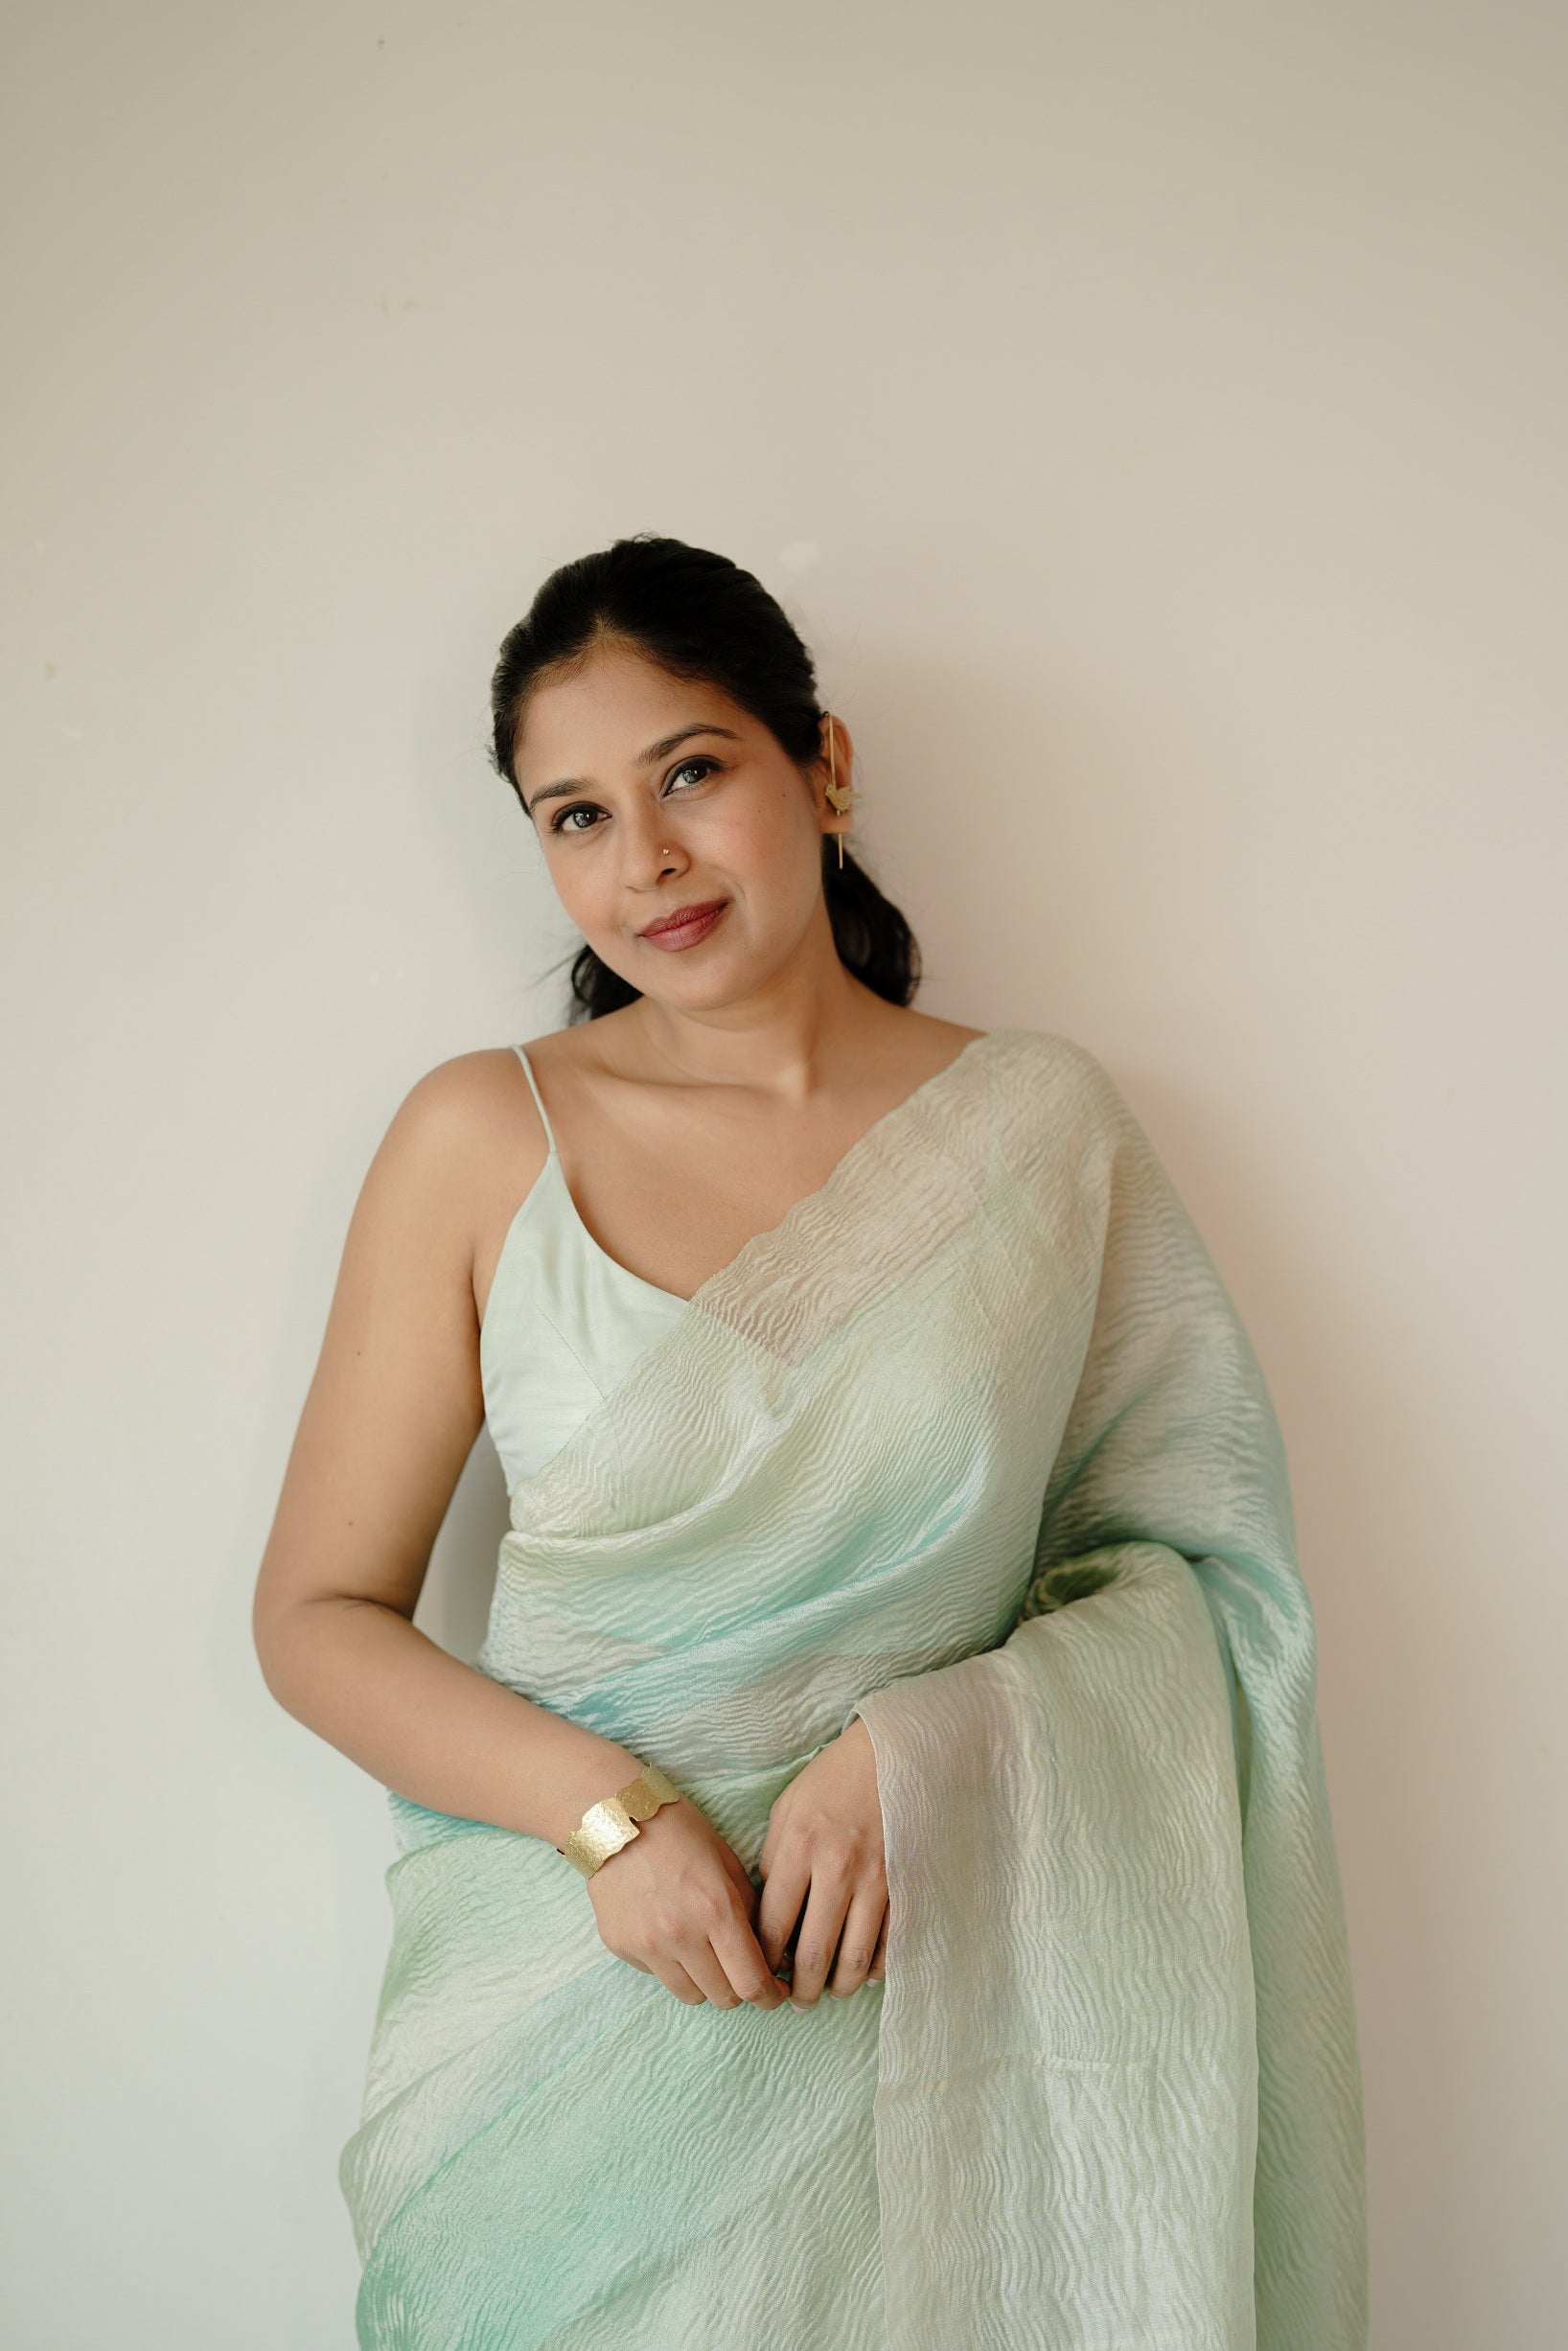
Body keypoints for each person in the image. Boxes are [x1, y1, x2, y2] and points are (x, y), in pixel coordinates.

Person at [253, 534, 1367, 2350]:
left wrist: (921, 1751)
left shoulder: (1036, 1132)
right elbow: (316, 1612)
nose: (647, 861)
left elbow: (1194, 1574)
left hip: (942, 2004)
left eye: (691, 771)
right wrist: (608, 1822)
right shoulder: (479, 1136)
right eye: (577, 815)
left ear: (821, 764)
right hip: (563, 2042)